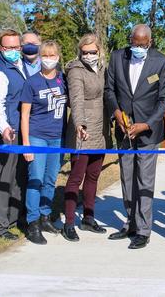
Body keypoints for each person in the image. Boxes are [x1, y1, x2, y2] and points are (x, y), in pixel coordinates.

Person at [104, 24, 165, 249]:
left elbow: (164, 99)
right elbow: (109, 90)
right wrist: (116, 114)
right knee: (127, 177)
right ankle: (130, 222)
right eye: (134, 43)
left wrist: (146, 124)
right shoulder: (117, 58)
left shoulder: (160, 62)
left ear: (149, 43)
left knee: (144, 179)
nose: (138, 47)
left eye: (142, 45)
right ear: (130, 39)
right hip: (124, 129)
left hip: (148, 132)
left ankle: (143, 230)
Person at [62, 33, 112, 242]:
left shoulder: (102, 68)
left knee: (93, 176)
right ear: (80, 52)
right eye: (85, 52)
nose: (89, 55)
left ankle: (89, 217)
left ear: (99, 51)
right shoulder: (75, 70)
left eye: (93, 52)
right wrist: (79, 124)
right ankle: (69, 223)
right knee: (76, 177)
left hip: (101, 128)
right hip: (83, 129)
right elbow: (76, 99)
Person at [19, 40, 67, 245]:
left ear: (58, 57)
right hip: (37, 136)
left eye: (52, 55)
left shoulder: (63, 80)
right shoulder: (31, 82)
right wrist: (27, 144)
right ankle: (33, 222)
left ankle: (46, 216)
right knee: (36, 179)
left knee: (50, 178)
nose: (49, 59)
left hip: (58, 137)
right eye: (45, 55)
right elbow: (24, 116)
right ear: (39, 57)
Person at [0, 29, 28, 240]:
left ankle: (11, 219)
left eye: (16, 47)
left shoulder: (20, 64)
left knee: (17, 178)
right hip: (8, 132)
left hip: (22, 130)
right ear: (1, 48)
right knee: (1, 179)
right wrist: (3, 128)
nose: (13, 51)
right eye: (8, 47)